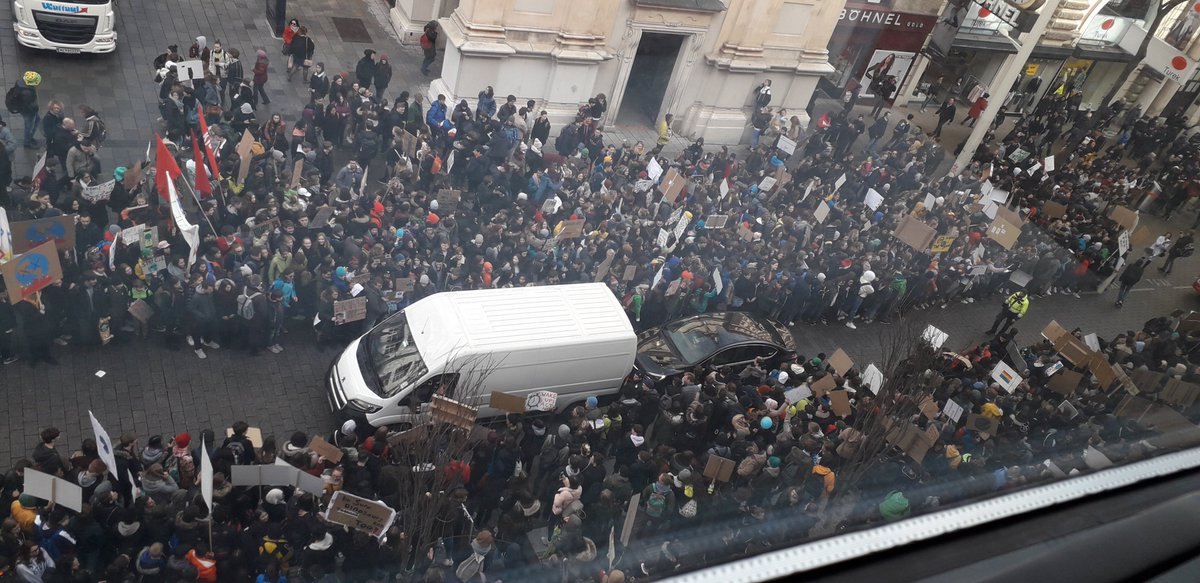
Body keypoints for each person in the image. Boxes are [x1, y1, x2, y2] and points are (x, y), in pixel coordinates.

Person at [10, 71, 41, 148]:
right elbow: (28, 106)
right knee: (29, 126)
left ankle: (29, 137)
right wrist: (34, 110)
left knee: (36, 121)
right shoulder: (27, 93)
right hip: (29, 112)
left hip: (27, 110)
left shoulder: (21, 82)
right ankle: (27, 143)